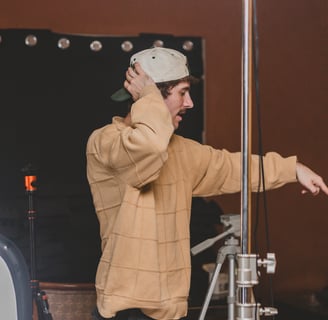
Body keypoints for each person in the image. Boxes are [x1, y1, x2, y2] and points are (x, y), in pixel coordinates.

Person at [86, 47, 328, 320]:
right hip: (125, 311)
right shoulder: (105, 142)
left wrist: (291, 168)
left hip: (168, 311)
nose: (189, 103)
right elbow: (148, 147)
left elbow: (231, 167)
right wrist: (149, 96)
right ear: (149, 96)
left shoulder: (180, 151)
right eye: (181, 92)